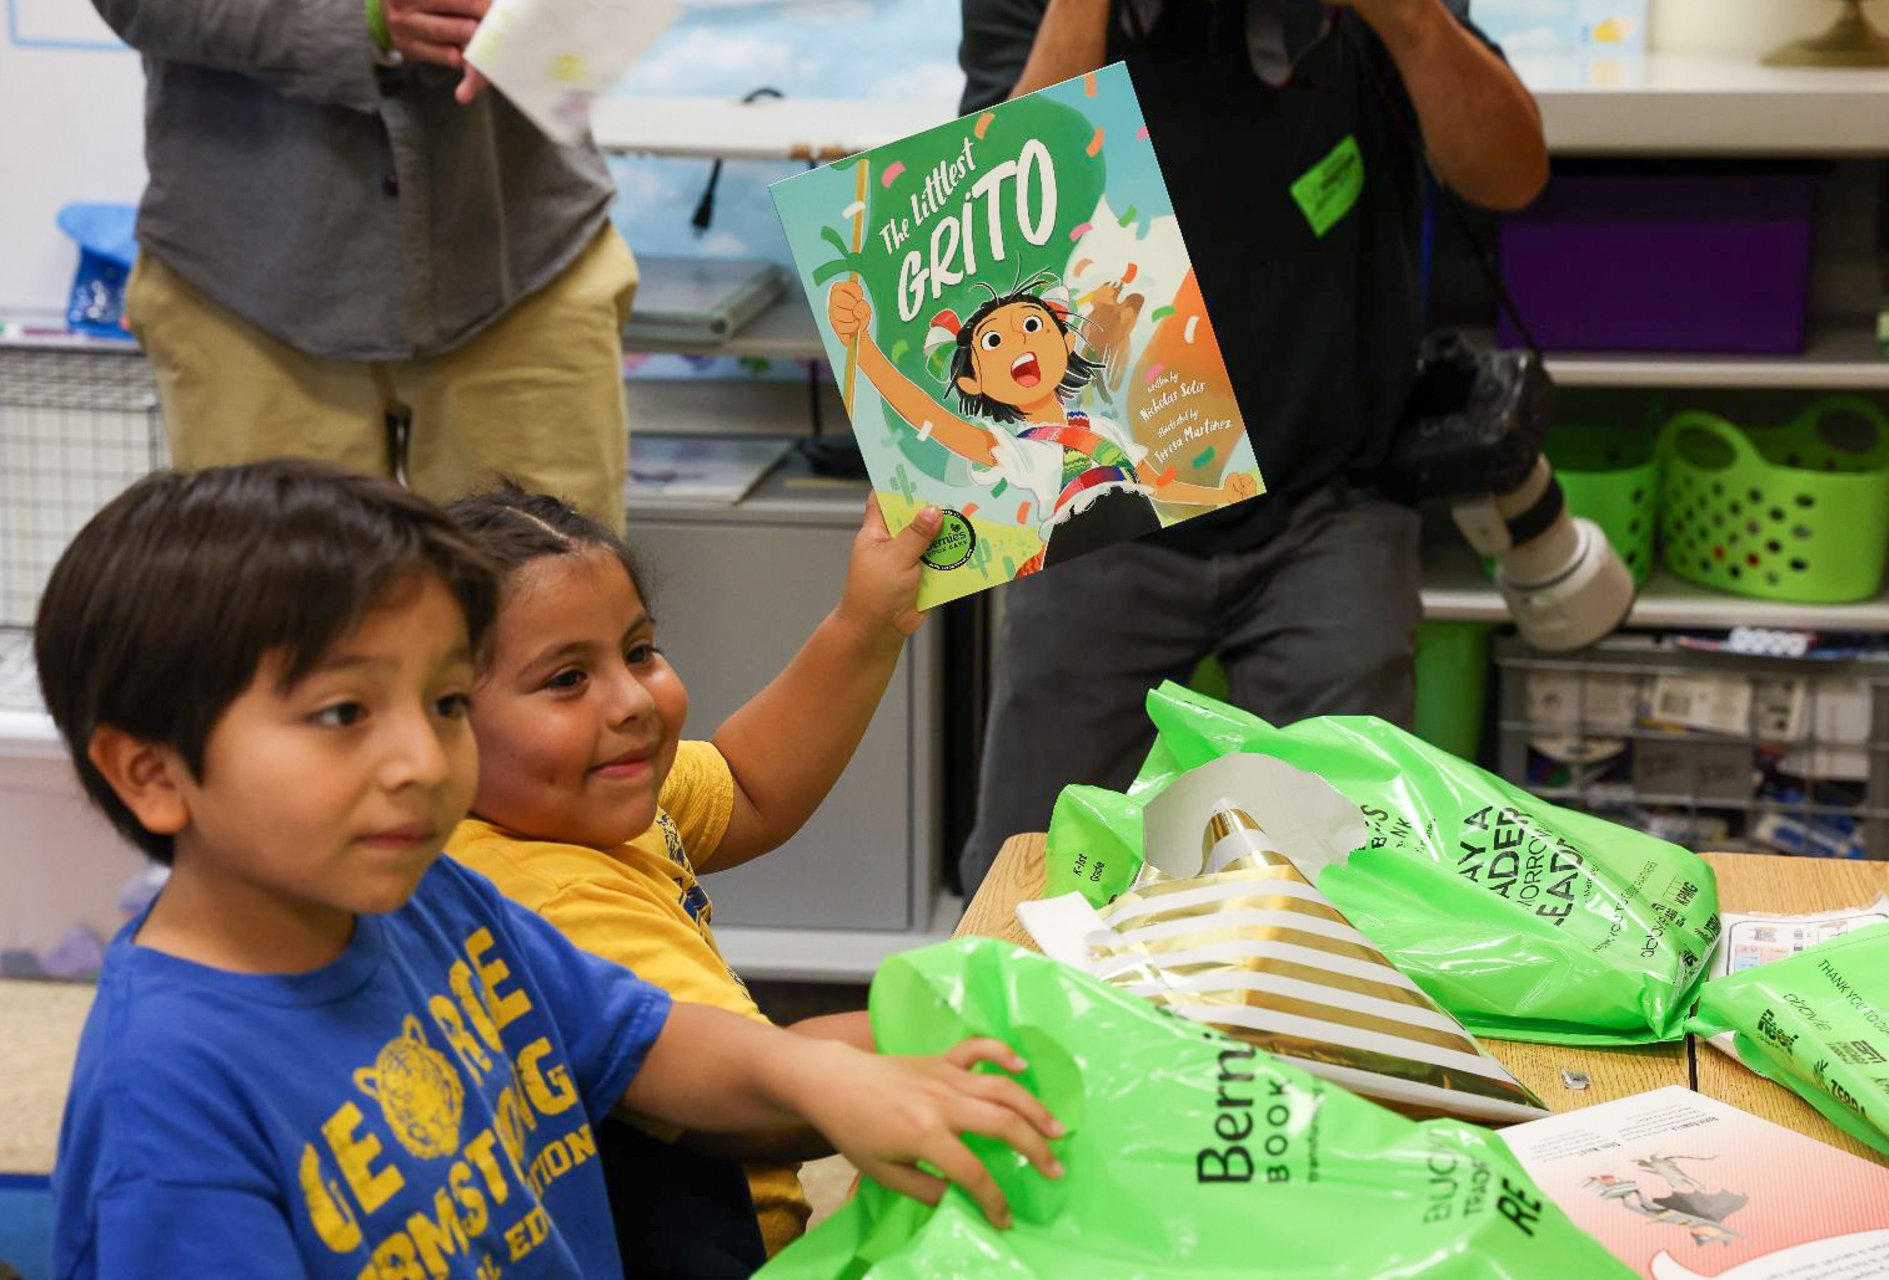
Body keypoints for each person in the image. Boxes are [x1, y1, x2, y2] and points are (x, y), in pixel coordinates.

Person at [35, 460, 1063, 1278]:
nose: (424, 760)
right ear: (153, 774)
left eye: (442, 704)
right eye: (345, 713)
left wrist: (818, 1070)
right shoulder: (166, 1102)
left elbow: (641, 1034)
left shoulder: (432, 895)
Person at [955, 0, 1549, 893]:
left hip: (1329, 492)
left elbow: (1509, 174)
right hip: (1100, 486)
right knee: (1033, 872)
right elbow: (995, 238)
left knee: (1346, 883)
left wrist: (1409, 18)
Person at [442, 483, 940, 1266]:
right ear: (437, 724)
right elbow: (756, 1101)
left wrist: (868, 621)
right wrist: (988, 1015)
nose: (632, 700)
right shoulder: (545, 892)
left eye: (639, 651)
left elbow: (748, 787)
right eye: (566, 679)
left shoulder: (581, 792)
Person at [92, 0, 635, 527]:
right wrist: (352, 18)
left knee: (554, 604)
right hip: (250, 284)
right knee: (285, 611)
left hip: (521, 258)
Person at [825, 273, 1259, 574]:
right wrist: (861, 348)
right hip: (1077, 549)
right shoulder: (1015, 448)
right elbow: (932, 419)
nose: (1020, 343)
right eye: (993, 341)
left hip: (1145, 528)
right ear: (972, 381)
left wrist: (1222, 494)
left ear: (1065, 339)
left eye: (1033, 325)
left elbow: (1158, 484)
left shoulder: (1103, 428)